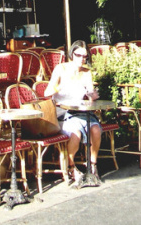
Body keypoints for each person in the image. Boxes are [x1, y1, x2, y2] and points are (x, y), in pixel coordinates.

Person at [44, 40, 101, 184]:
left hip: (80, 111)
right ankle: (71, 166)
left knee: (96, 130)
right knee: (76, 134)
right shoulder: (61, 69)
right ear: (71, 54)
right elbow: (47, 92)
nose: (81, 59)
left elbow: (89, 93)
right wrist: (60, 86)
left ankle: (93, 165)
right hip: (62, 113)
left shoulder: (86, 72)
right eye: (78, 55)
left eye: (85, 56)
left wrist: (92, 96)